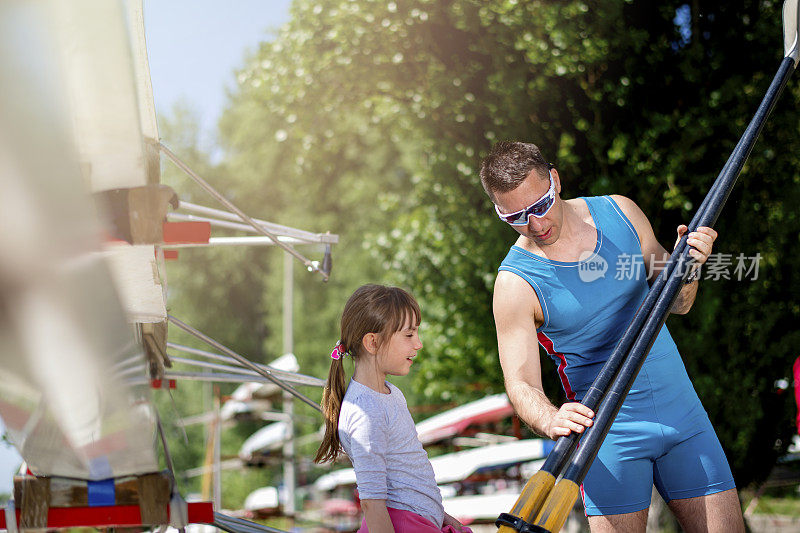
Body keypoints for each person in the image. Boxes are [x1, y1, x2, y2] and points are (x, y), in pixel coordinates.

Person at [479, 141, 744, 532]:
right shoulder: (515, 284)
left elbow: (680, 302)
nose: (534, 224)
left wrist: (690, 267)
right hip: (607, 439)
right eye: (515, 216)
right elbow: (520, 384)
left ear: (555, 180)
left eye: (539, 206)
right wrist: (551, 418)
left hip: (683, 417)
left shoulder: (620, 210)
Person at [315, 284, 471, 533]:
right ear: (372, 342)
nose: (418, 344)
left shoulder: (389, 394)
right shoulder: (366, 413)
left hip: (418, 522)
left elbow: (406, 475)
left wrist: (440, 515)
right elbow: (372, 504)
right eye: (409, 335)